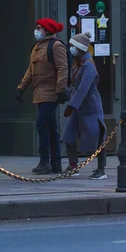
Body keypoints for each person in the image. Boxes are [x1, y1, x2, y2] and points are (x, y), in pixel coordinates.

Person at [16, 18, 69, 174]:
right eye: (37, 28)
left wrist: (60, 90)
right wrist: (21, 87)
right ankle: (56, 163)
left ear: (47, 30)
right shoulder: (37, 47)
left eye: (39, 28)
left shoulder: (56, 46)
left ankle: (45, 161)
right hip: (39, 93)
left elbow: (62, 68)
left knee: (41, 124)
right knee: (51, 127)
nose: (37, 30)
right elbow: (30, 70)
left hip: (50, 93)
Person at [61, 32, 108, 180]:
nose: (70, 48)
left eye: (72, 46)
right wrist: (65, 95)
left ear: (79, 47)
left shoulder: (89, 66)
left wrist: (71, 105)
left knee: (97, 136)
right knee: (68, 135)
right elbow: (75, 86)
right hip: (77, 106)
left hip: (90, 106)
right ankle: (73, 166)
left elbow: (84, 88)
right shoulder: (77, 62)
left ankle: (101, 169)